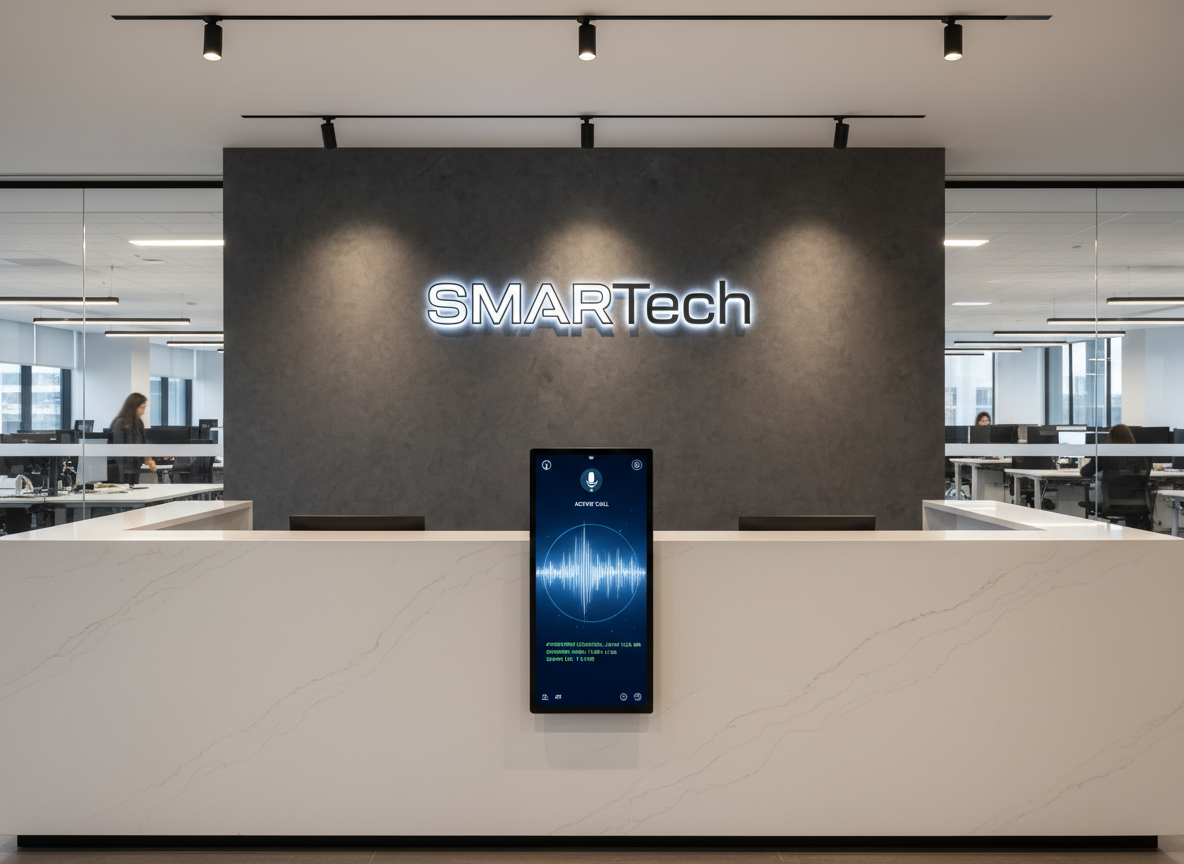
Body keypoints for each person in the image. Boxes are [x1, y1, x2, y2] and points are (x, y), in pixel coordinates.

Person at [1079, 424, 1153, 529]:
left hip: (1111, 503)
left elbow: (1085, 472)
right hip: (1139, 504)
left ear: (1110, 438)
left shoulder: (1106, 454)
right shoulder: (1142, 455)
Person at [111, 393, 156, 484]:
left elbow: (143, 442)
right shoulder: (120, 423)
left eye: (144, 408)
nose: (143, 411)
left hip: (135, 466)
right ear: (133, 407)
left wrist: (148, 458)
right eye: (142, 408)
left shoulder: (138, 422)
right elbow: (118, 447)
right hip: (122, 468)